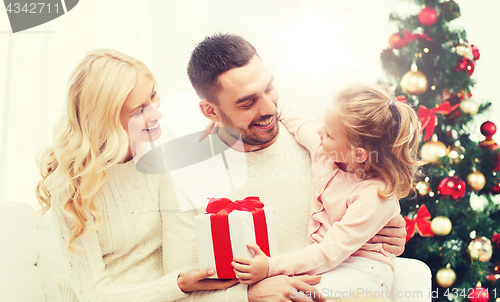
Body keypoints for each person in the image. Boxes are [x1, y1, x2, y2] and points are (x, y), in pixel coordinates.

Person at [159, 33, 407, 301]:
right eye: (247, 102)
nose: (269, 109)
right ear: (211, 112)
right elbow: (181, 289)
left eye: (269, 89)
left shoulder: (320, 146)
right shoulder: (186, 175)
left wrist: (385, 228)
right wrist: (249, 295)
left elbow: (369, 192)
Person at [35, 48, 238, 302]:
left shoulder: (157, 143)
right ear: (103, 119)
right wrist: (178, 285)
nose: (156, 113)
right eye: (139, 110)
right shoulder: (71, 185)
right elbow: (93, 292)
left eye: (153, 95)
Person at [230, 83, 421, 299]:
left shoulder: (374, 195)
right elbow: (286, 111)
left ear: (359, 155)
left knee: (300, 294)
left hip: (363, 270)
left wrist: (271, 267)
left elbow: (331, 250)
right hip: (328, 262)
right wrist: (226, 120)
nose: (319, 131)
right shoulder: (326, 151)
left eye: (329, 133)